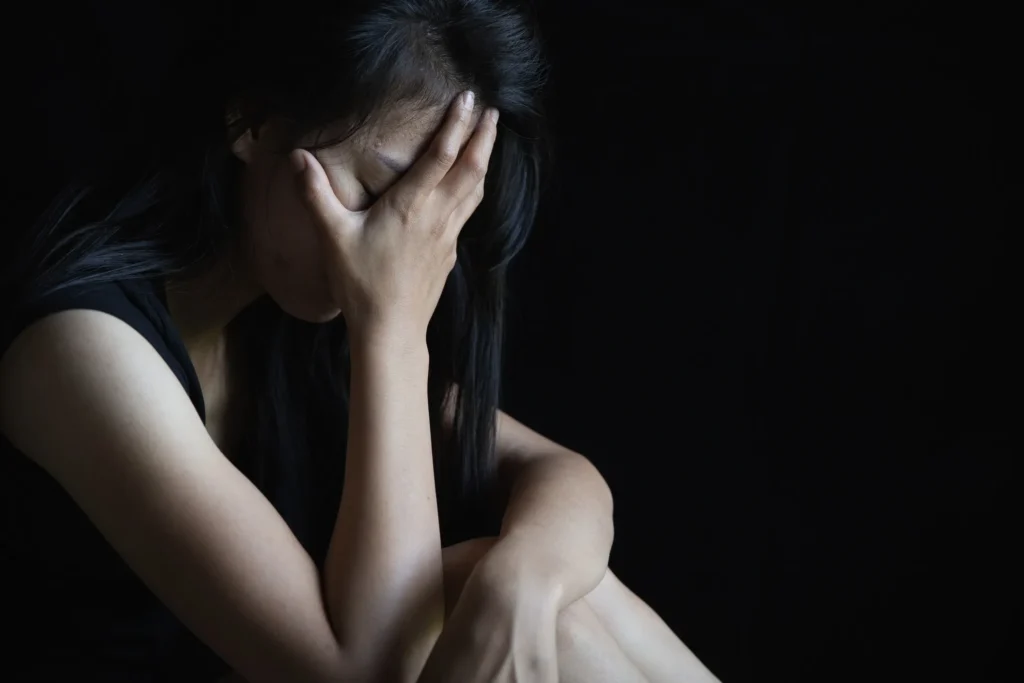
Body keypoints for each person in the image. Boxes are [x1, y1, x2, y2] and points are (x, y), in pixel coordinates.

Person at [0, 1, 720, 681]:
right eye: (378, 193)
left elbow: (561, 473)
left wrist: (525, 579)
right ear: (252, 120)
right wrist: (395, 327)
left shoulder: (297, 323)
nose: (400, 244)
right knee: (471, 603)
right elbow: (369, 666)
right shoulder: (79, 346)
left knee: (533, 591)